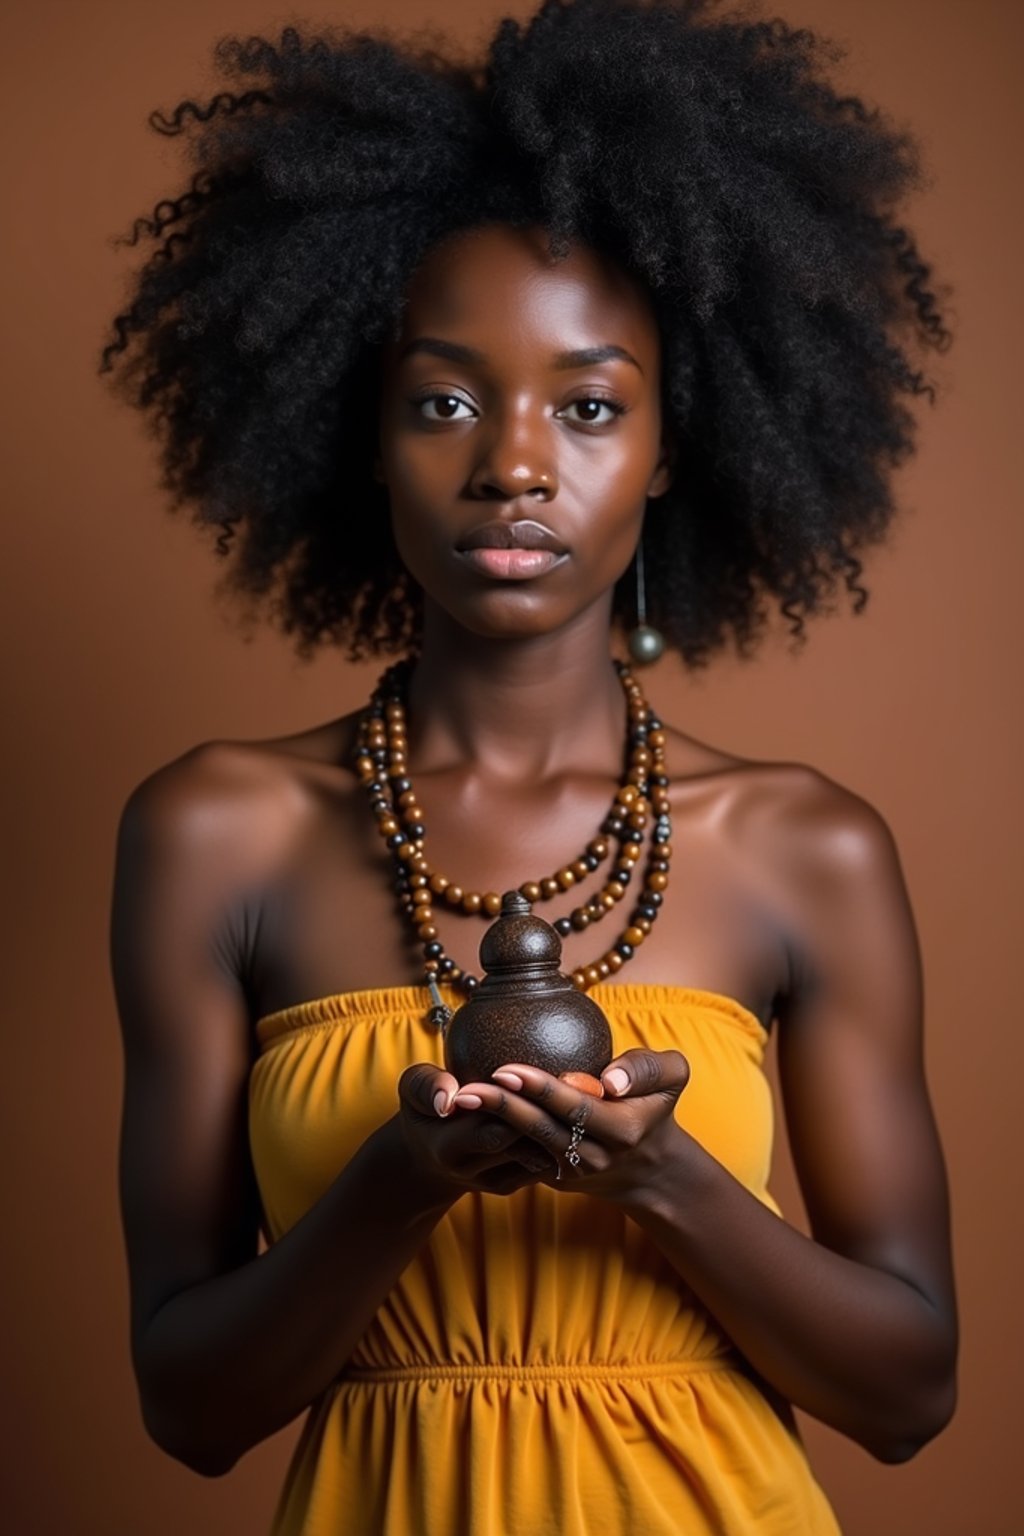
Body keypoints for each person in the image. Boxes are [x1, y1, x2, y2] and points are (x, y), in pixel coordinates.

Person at [103, 3, 957, 1532]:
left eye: (587, 405)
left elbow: (909, 1396)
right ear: (361, 431)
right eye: (443, 399)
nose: (511, 461)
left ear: (674, 445)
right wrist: (397, 1182)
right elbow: (188, 1411)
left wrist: (669, 1184)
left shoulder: (806, 846)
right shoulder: (216, 833)